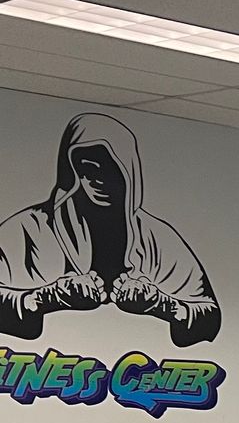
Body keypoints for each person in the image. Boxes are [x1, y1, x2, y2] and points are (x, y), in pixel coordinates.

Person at [0, 113, 220, 346]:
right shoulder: (28, 230)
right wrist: (47, 298)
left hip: (136, 372)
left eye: (111, 170)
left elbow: (209, 317)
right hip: (44, 372)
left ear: (129, 172)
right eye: (87, 169)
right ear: (71, 171)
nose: (98, 180)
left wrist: (163, 305)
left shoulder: (154, 238)